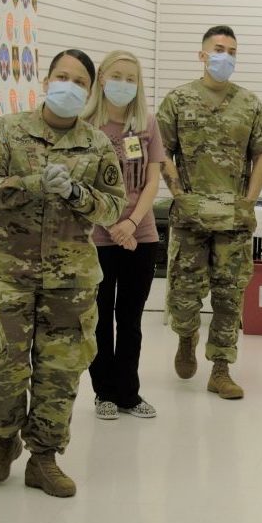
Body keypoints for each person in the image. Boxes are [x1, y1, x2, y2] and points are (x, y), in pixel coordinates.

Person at [0, 48, 125, 496]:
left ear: (90, 92)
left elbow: (113, 208)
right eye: (62, 76)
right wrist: (31, 185)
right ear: (45, 80)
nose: (68, 86)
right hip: (6, 272)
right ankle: (3, 438)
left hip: (70, 278)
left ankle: (44, 457)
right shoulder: (8, 130)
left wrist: (76, 193)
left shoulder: (97, 145)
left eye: (78, 82)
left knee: (59, 371)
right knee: (2, 367)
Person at [159, 25, 262, 399]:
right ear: (202, 54)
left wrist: (249, 200)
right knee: (184, 293)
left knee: (229, 296)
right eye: (218, 48)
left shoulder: (249, 103)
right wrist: (179, 194)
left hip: (233, 219)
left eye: (232, 51)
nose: (225, 56)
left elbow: (261, 154)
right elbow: (161, 152)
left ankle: (221, 369)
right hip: (191, 217)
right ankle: (185, 336)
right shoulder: (177, 100)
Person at [81, 50, 166, 420]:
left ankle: (129, 393)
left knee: (130, 319)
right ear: (102, 78)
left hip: (140, 234)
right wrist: (111, 227)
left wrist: (131, 224)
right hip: (98, 236)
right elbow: (82, 186)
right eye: (118, 76)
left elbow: (152, 180)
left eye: (131, 79)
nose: (124, 85)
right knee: (99, 316)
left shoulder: (146, 122)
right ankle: (104, 393)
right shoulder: (86, 125)